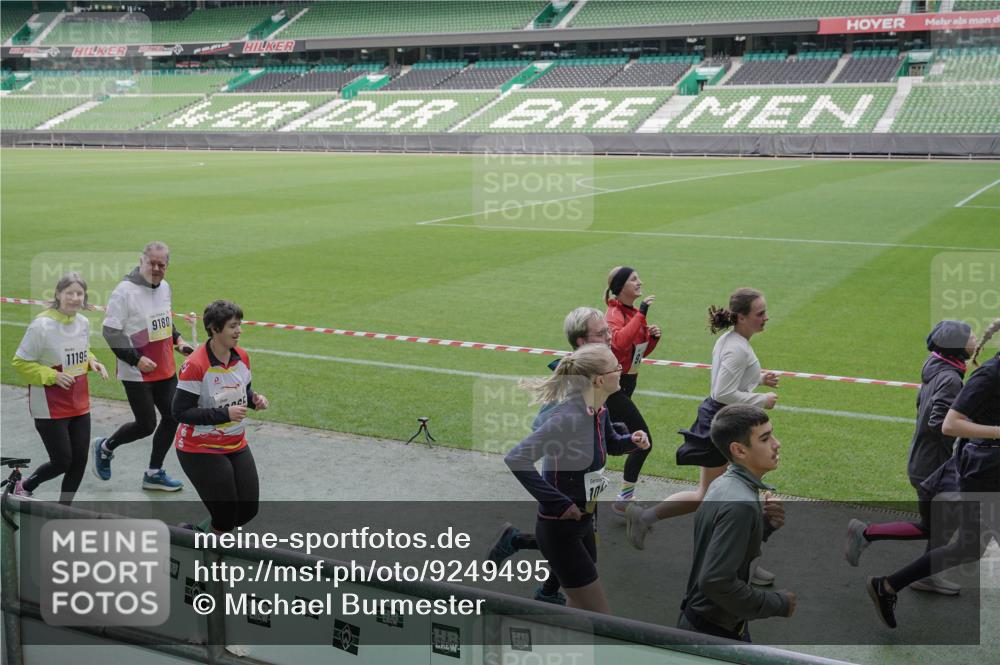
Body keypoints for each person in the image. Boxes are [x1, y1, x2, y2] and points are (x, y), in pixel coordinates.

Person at [626, 288, 778, 584]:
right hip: (724, 426)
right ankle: (742, 562)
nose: (765, 317)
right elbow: (722, 391)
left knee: (715, 496)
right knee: (723, 496)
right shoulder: (737, 347)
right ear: (742, 317)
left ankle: (644, 518)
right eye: (760, 313)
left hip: (725, 422)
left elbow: (729, 378)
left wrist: (758, 378)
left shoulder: (732, 341)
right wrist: (761, 399)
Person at [867, 319, 1000, 629]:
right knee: (961, 540)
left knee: (969, 546)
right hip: (983, 472)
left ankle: (886, 585)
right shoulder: (989, 375)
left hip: (984, 466)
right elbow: (949, 424)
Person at [505, 344, 650, 613]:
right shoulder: (567, 418)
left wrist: (631, 441)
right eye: (616, 367)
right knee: (601, 615)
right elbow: (517, 458)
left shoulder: (598, 410)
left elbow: (610, 444)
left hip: (584, 523)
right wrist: (559, 503)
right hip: (560, 529)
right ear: (599, 380)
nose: (622, 370)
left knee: (579, 610)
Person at [488, 307, 614, 605]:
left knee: (583, 546)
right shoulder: (575, 390)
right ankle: (542, 583)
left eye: (608, 331)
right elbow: (538, 431)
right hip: (565, 482)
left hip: (587, 482)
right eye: (601, 333)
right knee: (569, 539)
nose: (609, 337)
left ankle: (540, 577)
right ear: (582, 342)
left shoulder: (600, 376)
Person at [845, 321, 976, 596]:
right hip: (933, 468)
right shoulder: (951, 379)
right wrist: (966, 432)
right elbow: (938, 422)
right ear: (957, 346)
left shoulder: (936, 366)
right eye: (969, 336)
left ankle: (923, 573)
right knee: (942, 527)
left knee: (937, 527)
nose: (975, 338)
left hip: (925, 462)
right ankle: (867, 534)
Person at [678, 404, 795, 642]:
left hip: (707, 625)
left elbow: (724, 543)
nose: (776, 443)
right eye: (765, 438)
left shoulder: (724, 484)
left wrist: (764, 525)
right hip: (712, 635)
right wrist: (777, 603)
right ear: (739, 450)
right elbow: (715, 581)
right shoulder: (740, 502)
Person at [92, 241, 193, 491]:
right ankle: (106, 447)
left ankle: (153, 472)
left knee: (173, 416)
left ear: (167, 266)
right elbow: (110, 331)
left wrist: (178, 340)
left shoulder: (164, 287)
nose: (156, 268)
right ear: (141, 262)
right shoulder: (124, 292)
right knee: (146, 425)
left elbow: (164, 320)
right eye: (152, 263)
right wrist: (135, 358)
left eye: (162, 264)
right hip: (136, 372)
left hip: (164, 367)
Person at [172, 300, 268, 533]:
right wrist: (224, 414)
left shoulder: (242, 357)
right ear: (215, 329)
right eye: (233, 326)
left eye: (239, 325)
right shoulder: (195, 364)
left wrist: (254, 400)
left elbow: (240, 392)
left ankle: (196, 535)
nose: (239, 331)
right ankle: (210, 563)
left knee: (247, 511)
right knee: (225, 516)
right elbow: (180, 412)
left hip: (235, 442)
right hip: (199, 448)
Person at [11, 273, 108, 504]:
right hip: (48, 405)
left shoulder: (82, 322)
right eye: (69, 293)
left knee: (80, 460)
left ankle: (64, 508)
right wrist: (52, 375)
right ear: (58, 294)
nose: (75, 298)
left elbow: (82, 350)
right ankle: (24, 485)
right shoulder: (41, 325)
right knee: (62, 461)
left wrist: (91, 361)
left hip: (79, 402)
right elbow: (21, 363)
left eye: (79, 293)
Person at [603, 266, 661, 514]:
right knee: (643, 440)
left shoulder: (633, 313)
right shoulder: (613, 314)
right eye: (634, 279)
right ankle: (624, 499)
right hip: (612, 389)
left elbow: (636, 353)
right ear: (621, 286)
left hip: (627, 384)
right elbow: (618, 343)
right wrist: (643, 315)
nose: (640, 282)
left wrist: (653, 339)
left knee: (609, 436)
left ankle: (587, 477)